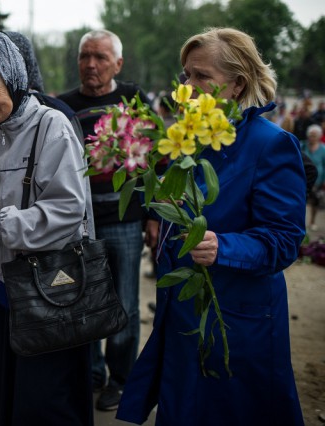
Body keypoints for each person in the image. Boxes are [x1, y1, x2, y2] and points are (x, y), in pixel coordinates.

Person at [117, 27, 306, 426]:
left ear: (237, 84)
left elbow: (286, 240)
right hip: (185, 315)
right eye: (186, 75)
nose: (188, 85)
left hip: (236, 320)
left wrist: (224, 246)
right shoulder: (190, 142)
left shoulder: (271, 144)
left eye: (202, 76)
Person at [0, 32, 93, 425]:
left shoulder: (52, 127)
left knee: (45, 401)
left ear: (15, 80)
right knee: (4, 392)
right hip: (1, 290)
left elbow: (67, 211)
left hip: (51, 292)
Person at [58, 29, 151, 410]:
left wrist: (151, 215)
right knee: (83, 301)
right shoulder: (62, 106)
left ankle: (121, 378)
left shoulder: (133, 99)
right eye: (85, 56)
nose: (91, 64)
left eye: (99, 57)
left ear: (118, 63)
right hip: (78, 224)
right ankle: (91, 371)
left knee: (126, 304)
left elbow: (149, 162)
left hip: (126, 219)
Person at [302, 124, 325, 231]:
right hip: (303, 179)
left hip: (318, 181)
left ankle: (312, 221)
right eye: (311, 135)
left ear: (319, 136)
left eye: (315, 135)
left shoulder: (323, 149)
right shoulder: (302, 146)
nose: (312, 137)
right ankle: (302, 221)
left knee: (315, 202)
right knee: (302, 201)